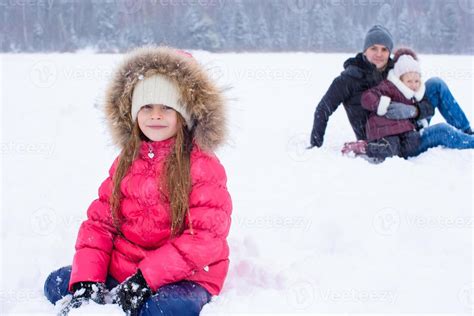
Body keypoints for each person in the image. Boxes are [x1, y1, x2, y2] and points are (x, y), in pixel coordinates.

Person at [43, 46, 232, 316]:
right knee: (58, 283)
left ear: (185, 113)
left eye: (167, 107)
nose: (155, 115)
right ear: (134, 113)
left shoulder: (202, 166)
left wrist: (145, 279)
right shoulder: (127, 160)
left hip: (184, 276)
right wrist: (88, 279)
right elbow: (100, 224)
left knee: (161, 310)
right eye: (147, 107)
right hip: (126, 270)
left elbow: (203, 239)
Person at [309, 25, 473, 155]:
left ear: (389, 52)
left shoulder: (394, 71)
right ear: (365, 50)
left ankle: (467, 132)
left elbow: (423, 101)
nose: (379, 54)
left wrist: (413, 110)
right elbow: (323, 109)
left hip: (407, 125)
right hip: (383, 138)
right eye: (374, 48)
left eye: (384, 49)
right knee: (441, 131)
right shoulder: (348, 79)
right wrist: (315, 145)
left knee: (436, 85)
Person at [355, 48, 435, 160]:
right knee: (390, 149)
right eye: (409, 81)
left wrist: (414, 111)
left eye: (416, 81)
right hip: (383, 127)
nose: (414, 85)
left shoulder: (416, 94)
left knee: (413, 144)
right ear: (400, 80)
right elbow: (367, 97)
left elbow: (429, 108)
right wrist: (381, 105)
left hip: (404, 127)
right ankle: (365, 147)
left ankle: (399, 151)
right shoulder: (389, 87)